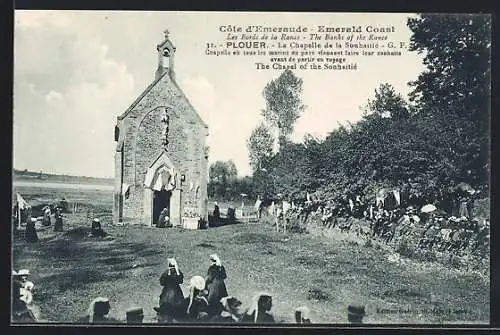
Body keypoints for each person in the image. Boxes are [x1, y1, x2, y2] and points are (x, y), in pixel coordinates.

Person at [154, 258, 185, 323]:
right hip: (176, 290)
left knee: (164, 299)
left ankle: (164, 312)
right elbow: (181, 281)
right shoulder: (178, 272)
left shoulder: (166, 272)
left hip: (167, 290)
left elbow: (162, 283)